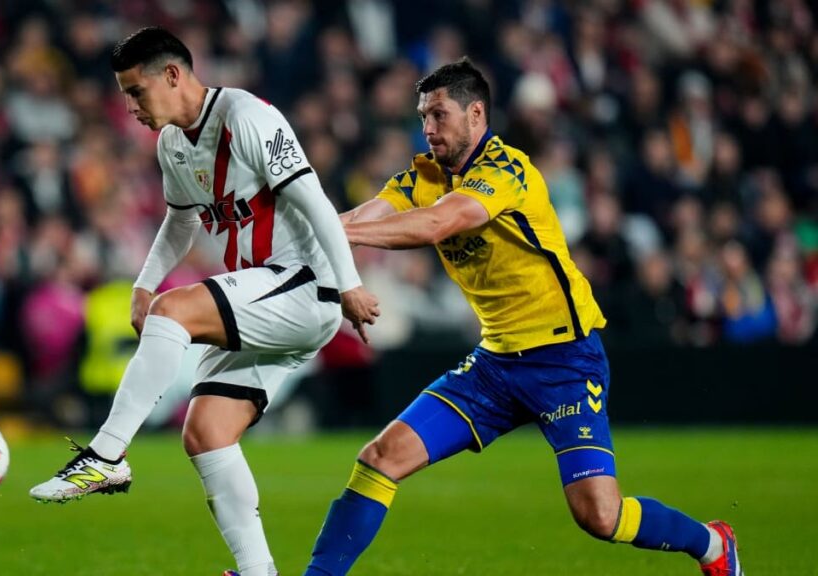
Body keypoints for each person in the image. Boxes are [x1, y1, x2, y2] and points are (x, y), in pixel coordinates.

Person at [303, 58, 742, 576]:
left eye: (439, 115)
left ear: (476, 113)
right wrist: (300, 238)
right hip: (495, 363)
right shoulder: (421, 175)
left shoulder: (507, 171)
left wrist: (336, 236)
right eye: (423, 115)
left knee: (600, 516)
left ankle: (712, 544)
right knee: (381, 457)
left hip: (564, 359)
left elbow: (440, 223)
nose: (427, 128)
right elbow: (363, 216)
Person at [29, 27, 380, 576]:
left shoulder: (247, 118)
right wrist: (145, 284)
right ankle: (259, 570)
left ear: (172, 75)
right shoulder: (172, 143)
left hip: (305, 285)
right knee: (206, 431)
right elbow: (180, 220)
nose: (130, 108)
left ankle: (104, 456)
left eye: (136, 92)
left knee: (176, 311)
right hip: (267, 299)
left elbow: (313, 198)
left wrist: (350, 282)